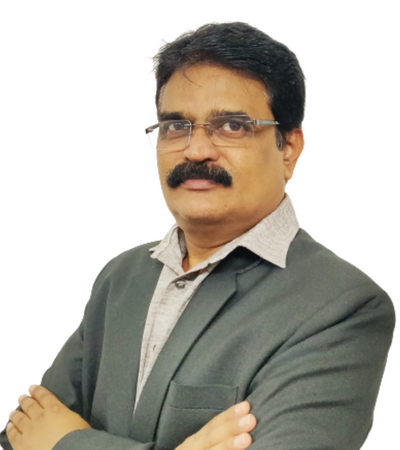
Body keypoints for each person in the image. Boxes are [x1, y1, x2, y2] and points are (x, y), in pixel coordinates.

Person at [1, 22, 395, 450]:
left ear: (288, 148)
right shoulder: (121, 278)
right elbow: (21, 435)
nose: (196, 150)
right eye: (176, 126)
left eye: (232, 126)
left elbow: (46, 439)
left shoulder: (341, 305)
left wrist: (68, 443)